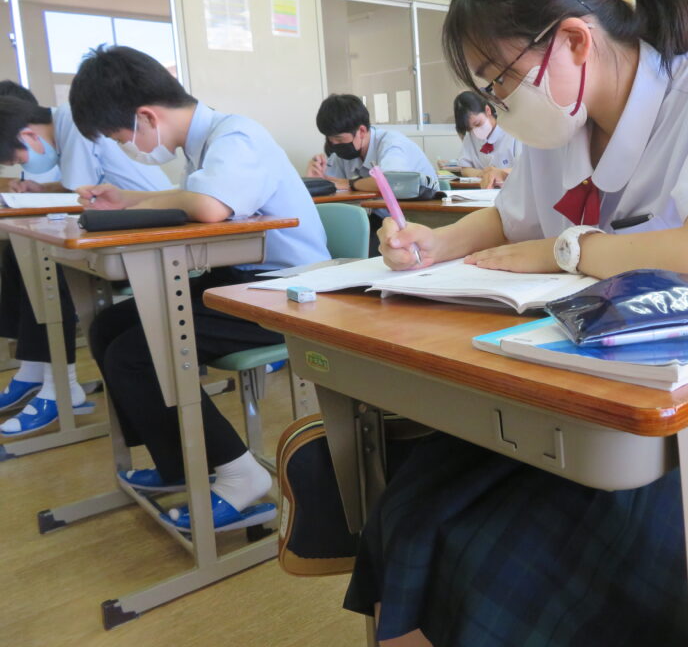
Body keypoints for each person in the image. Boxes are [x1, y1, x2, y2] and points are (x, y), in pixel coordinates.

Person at [343, 0, 688, 647]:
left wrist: (567, 250)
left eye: (500, 78)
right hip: (568, 390)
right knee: (407, 517)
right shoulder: (556, 125)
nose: (497, 102)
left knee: (487, 569)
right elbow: (508, 221)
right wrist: (433, 243)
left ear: (573, 40)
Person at [68, 45, 330, 532]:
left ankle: (240, 475)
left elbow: (209, 207)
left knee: (135, 355)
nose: (127, 147)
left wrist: (136, 203)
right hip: (240, 281)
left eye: (122, 137)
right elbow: (192, 197)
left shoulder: (237, 136)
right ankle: (178, 464)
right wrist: (128, 200)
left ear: (146, 116)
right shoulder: (204, 146)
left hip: (285, 291)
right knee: (108, 327)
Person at [0, 86, 173, 434]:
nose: (23, 166)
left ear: (29, 135)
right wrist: (41, 190)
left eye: (18, 160)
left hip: (150, 238)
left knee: (48, 259)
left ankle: (60, 386)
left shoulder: (75, 124)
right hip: (122, 230)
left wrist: (41, 194)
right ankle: (34, 370)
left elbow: (81, 198)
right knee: (18, 250)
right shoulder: (65, 126)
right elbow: (80, 191)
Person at [305, 93, 438, 193]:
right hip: (378, 214)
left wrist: (351, 184)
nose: (334, 144)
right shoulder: (344, 154)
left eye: (339, 139)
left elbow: (391, 182)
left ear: (362, 131)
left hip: (421, 213)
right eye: (329, 138)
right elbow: (333, 185)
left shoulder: (391, 143)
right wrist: (315, 180)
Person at [450, 90, 520, 187]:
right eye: (470, 129)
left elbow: (524, 168)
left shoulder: (513, 131)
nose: (475, 131)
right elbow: (465, 168)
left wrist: (498, 173)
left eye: (478, 124)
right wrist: (482, 174)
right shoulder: (470, 137)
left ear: (487, 110)